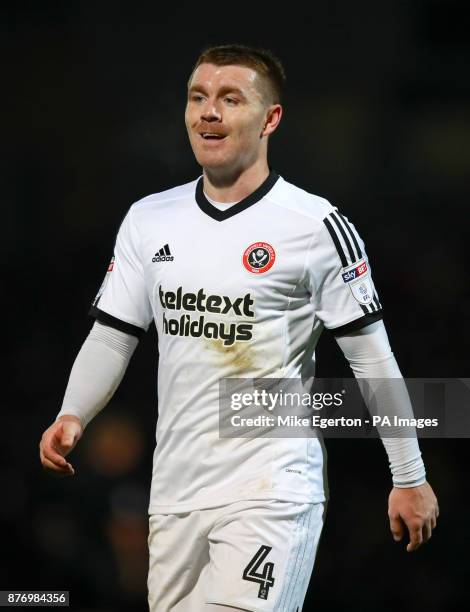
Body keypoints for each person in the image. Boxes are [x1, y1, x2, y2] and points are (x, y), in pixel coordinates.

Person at [39, 44, 439, 612]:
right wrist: (72, 412)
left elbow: (373, 361)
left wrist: (409, 474)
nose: (209, 112)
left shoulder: (316, 227)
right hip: (174, 494)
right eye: (198, 97)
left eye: (230, 99)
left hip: (270, 489)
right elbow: (112, 334)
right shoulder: (149, 219)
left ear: (270, 118)